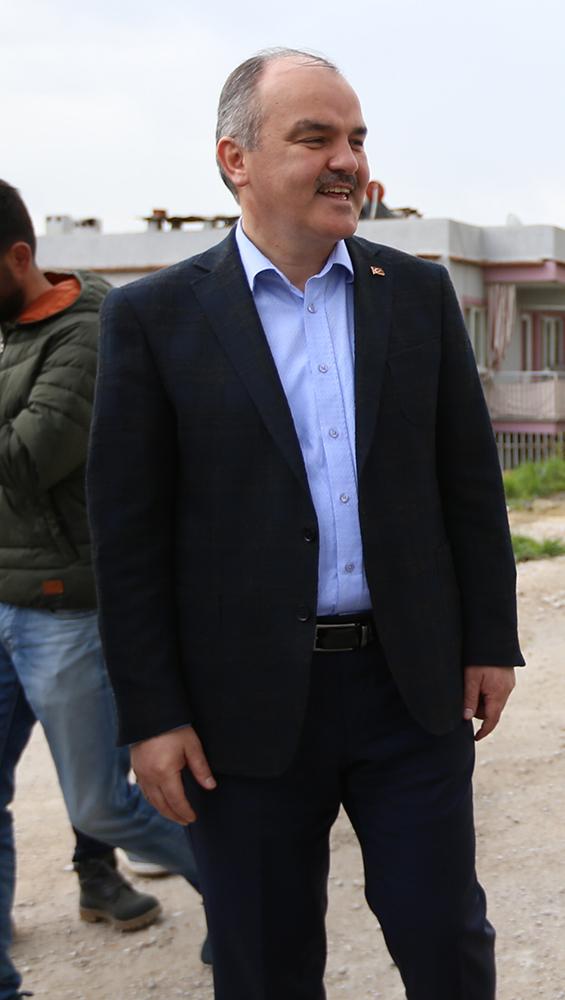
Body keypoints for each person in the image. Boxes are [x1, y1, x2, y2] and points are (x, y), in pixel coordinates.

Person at [87, 48, 523, 999]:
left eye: (356, 139)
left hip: (410, 690)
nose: (347, 162)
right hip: (237, 710)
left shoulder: (416, 295)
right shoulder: (155, 319)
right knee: (265, 962)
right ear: (235, 159)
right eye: (315, 137)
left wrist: (492, 640)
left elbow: (468, 486)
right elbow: (127, 540)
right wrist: (153, 715)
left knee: (444, 939)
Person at [0, 181, 210, 996]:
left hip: (66, 608)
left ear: (19, 258)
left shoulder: (89, 330)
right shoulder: (10, 334)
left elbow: (28, 457)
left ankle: (239, 889)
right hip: (5, 594)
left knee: (103, 807)